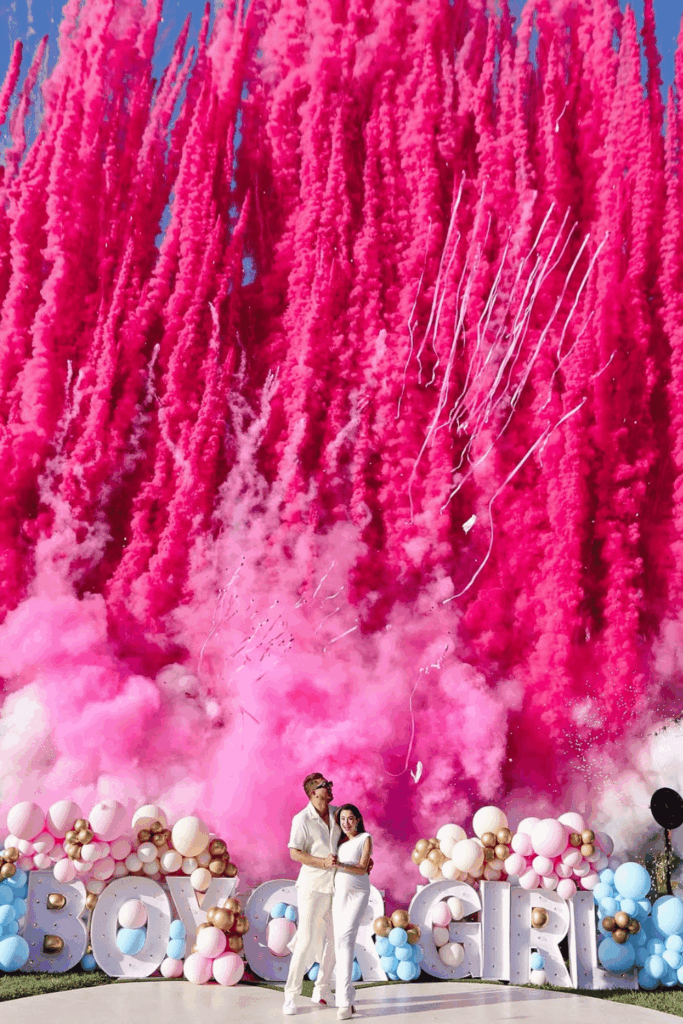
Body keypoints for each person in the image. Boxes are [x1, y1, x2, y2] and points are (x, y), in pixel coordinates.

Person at [283, 772, 341, 1016]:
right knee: (306, 940)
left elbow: (349, 841)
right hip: (311, 886)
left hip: (336, 886)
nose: (330, 787)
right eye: (324, 785)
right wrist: (322, 862)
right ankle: (290, 995)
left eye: (329, 783)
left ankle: (322, 989)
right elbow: (294, 852)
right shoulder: (302, 819)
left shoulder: (338, 813)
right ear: (313, 792)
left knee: (335, 940)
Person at [332, 804, 372, 1021]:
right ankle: (348, 995)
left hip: (358, 894)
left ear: (357, 820)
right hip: (339, 895)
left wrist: (339, 864)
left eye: (350, 818)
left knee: (346, 939)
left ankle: (344, 1003)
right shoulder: (338, 843)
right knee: (340, 943)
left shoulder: (365, 838)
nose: (346, 823)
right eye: (342, 819)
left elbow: (363, 867)